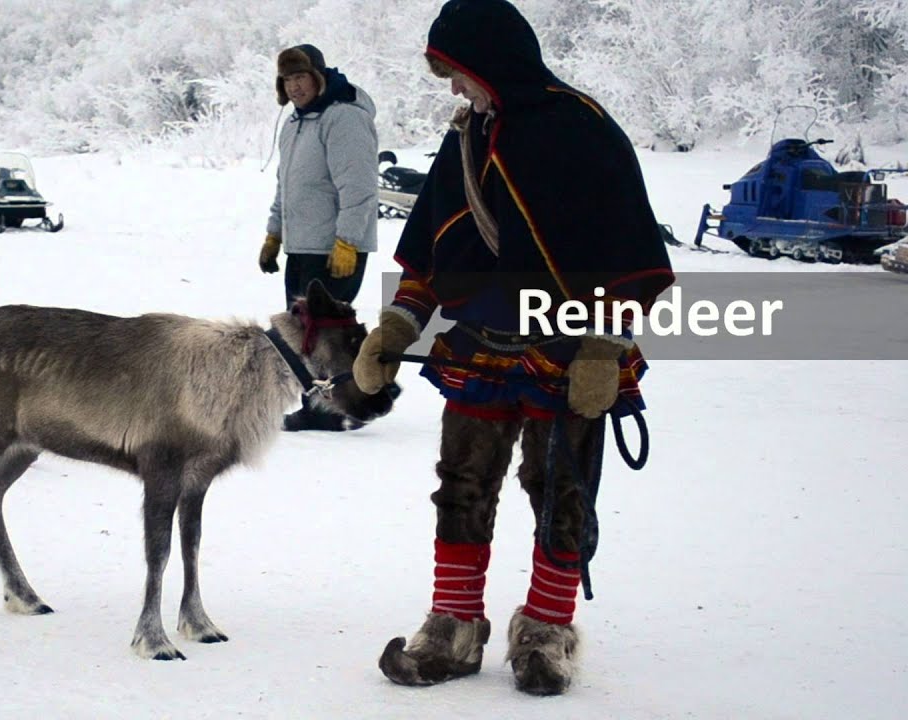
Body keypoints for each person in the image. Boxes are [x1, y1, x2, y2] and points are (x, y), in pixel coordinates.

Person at [353, 0, 675, 695]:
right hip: (479, 349)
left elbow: (626, 248)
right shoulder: (467, 138)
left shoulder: (583, 130)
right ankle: (454, 624)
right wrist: (399, 326)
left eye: (456, 71)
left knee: (561, 490)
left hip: (568, 351)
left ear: (489, 62)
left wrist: (605, 347)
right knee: (461, 487)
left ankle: (547, 631)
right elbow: (432, 247)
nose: (451, 89)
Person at [260, 43, 379, 432]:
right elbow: (285, 185)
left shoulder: (342, 118)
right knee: (305, 336)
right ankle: (320, 404)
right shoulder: (295, 124)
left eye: (300, 77)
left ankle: (345, 407)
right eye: (287, 79)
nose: (294, 87)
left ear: (318, 76)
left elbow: (358, 186)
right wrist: (274, 235)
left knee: (332, 336)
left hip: (333, 248)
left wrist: (347, 240)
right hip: (301, 246)